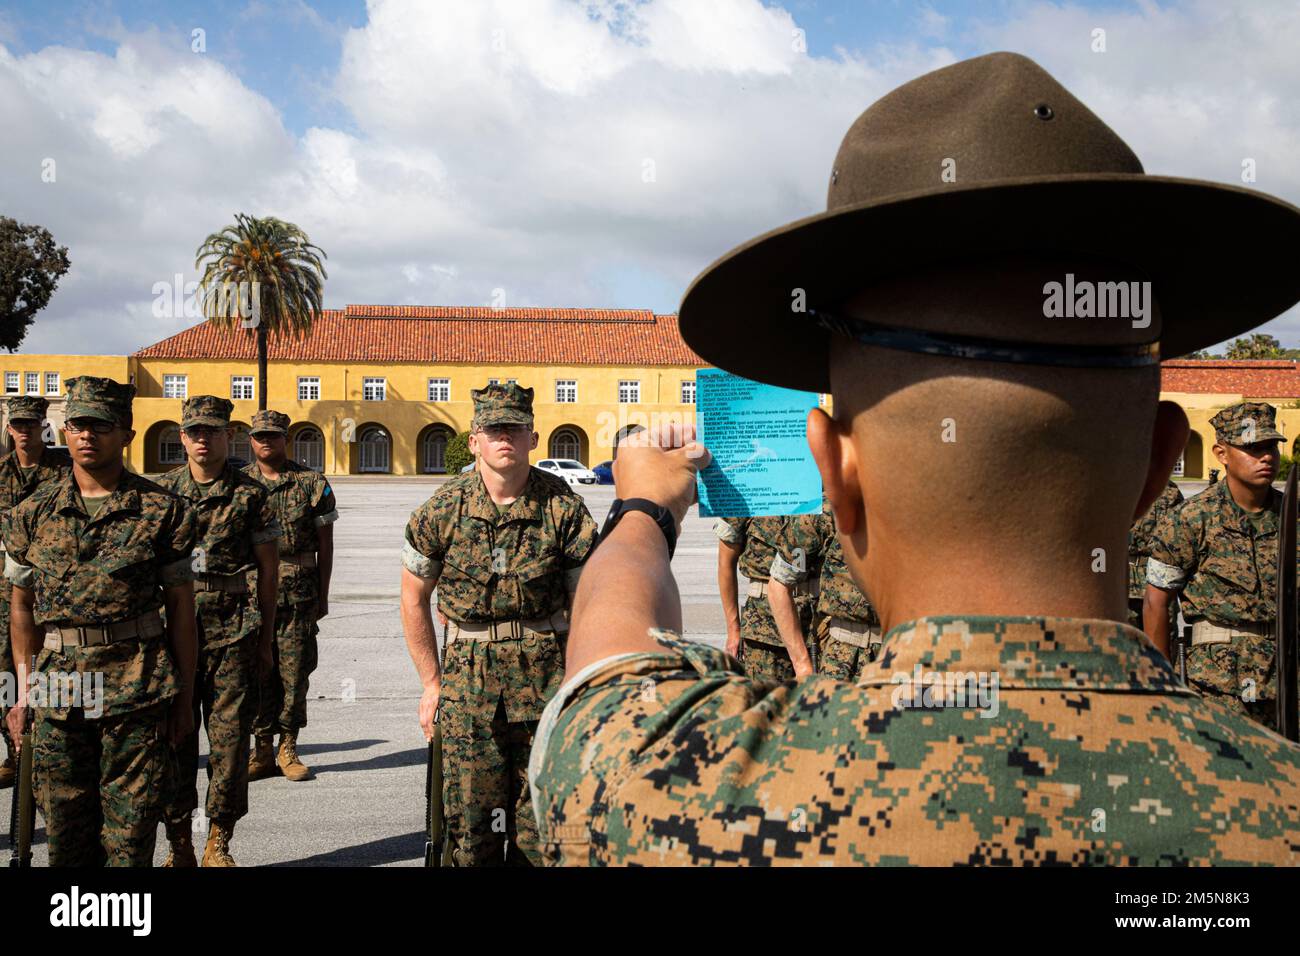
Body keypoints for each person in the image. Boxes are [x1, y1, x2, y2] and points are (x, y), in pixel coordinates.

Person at [529, 52, 1300, 865]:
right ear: (1158, 465)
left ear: (835, 473)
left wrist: (645, 510)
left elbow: (607, 669)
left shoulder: (673, 794)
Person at [3, 376, 197, 866]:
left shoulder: (163, 511)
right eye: (77, 425)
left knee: (130, 836)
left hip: (137, 686)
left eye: (101, 426)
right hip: (58, 687)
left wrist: (185, 695)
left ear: (126, 435)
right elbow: (21, 608)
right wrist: (21, 693)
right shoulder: (30, 514)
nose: (87, 436)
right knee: (65, 833)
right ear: (63, 432)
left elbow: (180, 610)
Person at [401, 383, 598, 866]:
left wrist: (584, 683)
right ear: (474, 441)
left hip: (548, 682)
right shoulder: (442, 509)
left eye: (514, 428)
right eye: (493, 430)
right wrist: (431, 683)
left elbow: (590, 603)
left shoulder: (563, 508)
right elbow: (413, 597)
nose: (503, 438)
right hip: (469, 687)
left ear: (533, 437)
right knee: (471, 833)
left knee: (543, 830)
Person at [157, 396, 280, 867]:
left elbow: (268, 574)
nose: (203, 439)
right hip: (173, 630)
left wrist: (266, 639)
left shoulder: (251, 495)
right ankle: (180, 843)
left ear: (228, 435)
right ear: (182, 437)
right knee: (175, 738)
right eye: (194, 431)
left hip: (233, 629)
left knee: (229, 744)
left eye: (212, 430)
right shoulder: (160, 495)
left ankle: (218, 840)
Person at [1145, 403, 1291, 726]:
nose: (1266, 457)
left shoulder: (1292, 517)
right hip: (1218, 686)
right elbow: (1157, 601)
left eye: (1271, 447)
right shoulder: (1192, 518)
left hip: (1285, 683)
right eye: (1252, 448)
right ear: (1221, 453)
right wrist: (1163, 685)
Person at [243, 410, 337, 782]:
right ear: (251, 440)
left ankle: (287, 745)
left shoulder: (311, 484)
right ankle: (261, 748)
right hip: (250, 595)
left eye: (274, 436)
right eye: (260, 436)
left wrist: (324, 596)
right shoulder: (239, 485)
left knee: (295, 672)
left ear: (286, 439)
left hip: (298, 593)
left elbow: (326, 546)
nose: (267, 442)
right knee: (255, 671)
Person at [0, 396, 71, 788]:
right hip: (3, 587)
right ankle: (14, 750)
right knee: (4, 673)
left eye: (31, 423)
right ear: (10, 427)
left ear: (42, 426)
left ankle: (47, 747)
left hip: (48, 587)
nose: (24, 430)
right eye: (18, 424)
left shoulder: (64, 472)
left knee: (47, 668)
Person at [769, 504, 881, 682]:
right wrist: (802, 665)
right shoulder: (827, 511)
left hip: (908, 655)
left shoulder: (926, 510)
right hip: (844, 661)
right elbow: (779, 584)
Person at [715, 515, 819, 679]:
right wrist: (733, 630)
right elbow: (725, 564)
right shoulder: (753, 495)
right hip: (764, 627)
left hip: (817, 621)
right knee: (768, 700)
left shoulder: (823, 496)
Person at [1126, 480, 1183, 629]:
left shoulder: (1169, 491)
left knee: (1164, 641)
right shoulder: (1111, 485)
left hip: (1158, 579)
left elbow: (1180, 539)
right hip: (1121, 578)